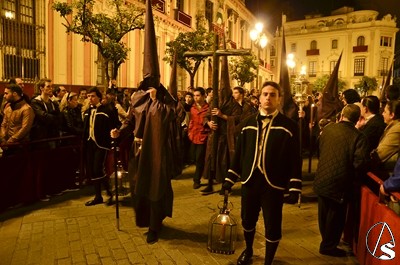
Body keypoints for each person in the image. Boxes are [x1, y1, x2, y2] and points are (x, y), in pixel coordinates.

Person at [221, 81, 301, 265]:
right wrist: (229, 179)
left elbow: (294, 159)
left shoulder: (289, 126)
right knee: (247, 220)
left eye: (273, 94)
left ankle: (268, 261)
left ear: (279, 99)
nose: (268, 98)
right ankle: (248, 251)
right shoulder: (247, 123)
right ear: (259, 98)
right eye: (265, 94)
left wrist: (295, 187)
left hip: (273, 184)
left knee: (272, 224)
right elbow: (239, 154)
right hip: (249, 181)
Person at [313, 104, 369, 257]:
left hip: (322, 178)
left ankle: (326, 240)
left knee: (324, 213)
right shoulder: (358, 136)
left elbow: (319, 149)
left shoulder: (328, 129)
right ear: (358, 118)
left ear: (342, 115)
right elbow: (360, 163)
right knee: (336, 216)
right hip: (341, 182)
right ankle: (328, 246)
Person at [83, 87, 119, 207]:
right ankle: (98, 196)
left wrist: (113, 137)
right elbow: (86, 128)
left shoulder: (106, 110)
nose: (90, 99)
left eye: (93, 96)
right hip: (90, 143)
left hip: (102, 144)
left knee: (98, 168)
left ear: (99, 97)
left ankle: (109, 193)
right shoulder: (88, 111)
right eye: (88, 96)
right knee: (93, 170)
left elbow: (115, 124)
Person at [187, 87, 210, 189]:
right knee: (194, 158)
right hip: (193, 136)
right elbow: (191, 121)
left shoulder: (208, 108)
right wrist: (189, 132)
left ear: (203, 96)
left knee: (200, 159)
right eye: (194, 96)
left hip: (203, 136)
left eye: (198, 95)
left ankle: (196, 180)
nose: (195, 98)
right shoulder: (193, 108)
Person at [370, 100, 400, 173]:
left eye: (385, 112)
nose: (382, 114)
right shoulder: (393, 126)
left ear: (392, 115)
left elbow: (380, 154)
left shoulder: (397, 129)